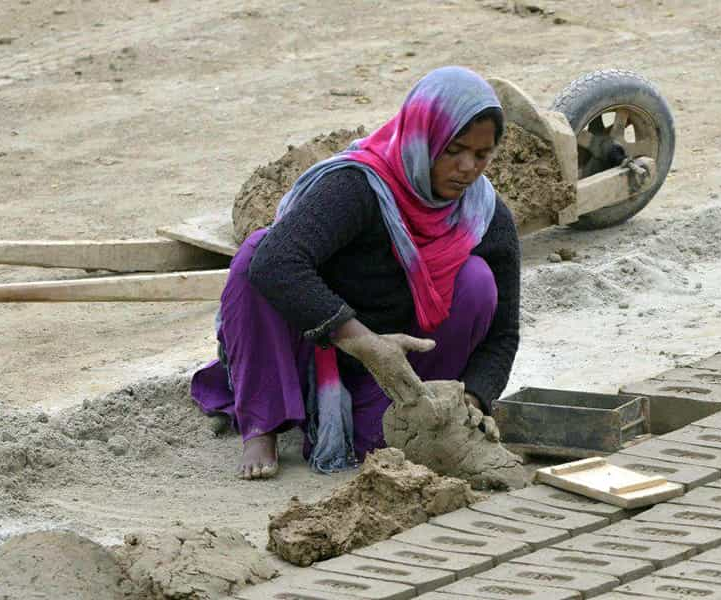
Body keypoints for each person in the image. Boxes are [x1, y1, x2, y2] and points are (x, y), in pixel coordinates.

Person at [191, 66, 521, 479]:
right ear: (423, 138)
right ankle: (263, 420)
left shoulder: (485, 216)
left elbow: (503, 332)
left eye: (481, 155)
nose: (468, 167)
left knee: (477, 282)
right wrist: (364, 343)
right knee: (257, 253)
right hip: (320, 344)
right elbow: (278, 262)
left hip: (401, 363)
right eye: (453, 150)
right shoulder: (359, 187)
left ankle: (418, 414)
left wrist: (472, 401)